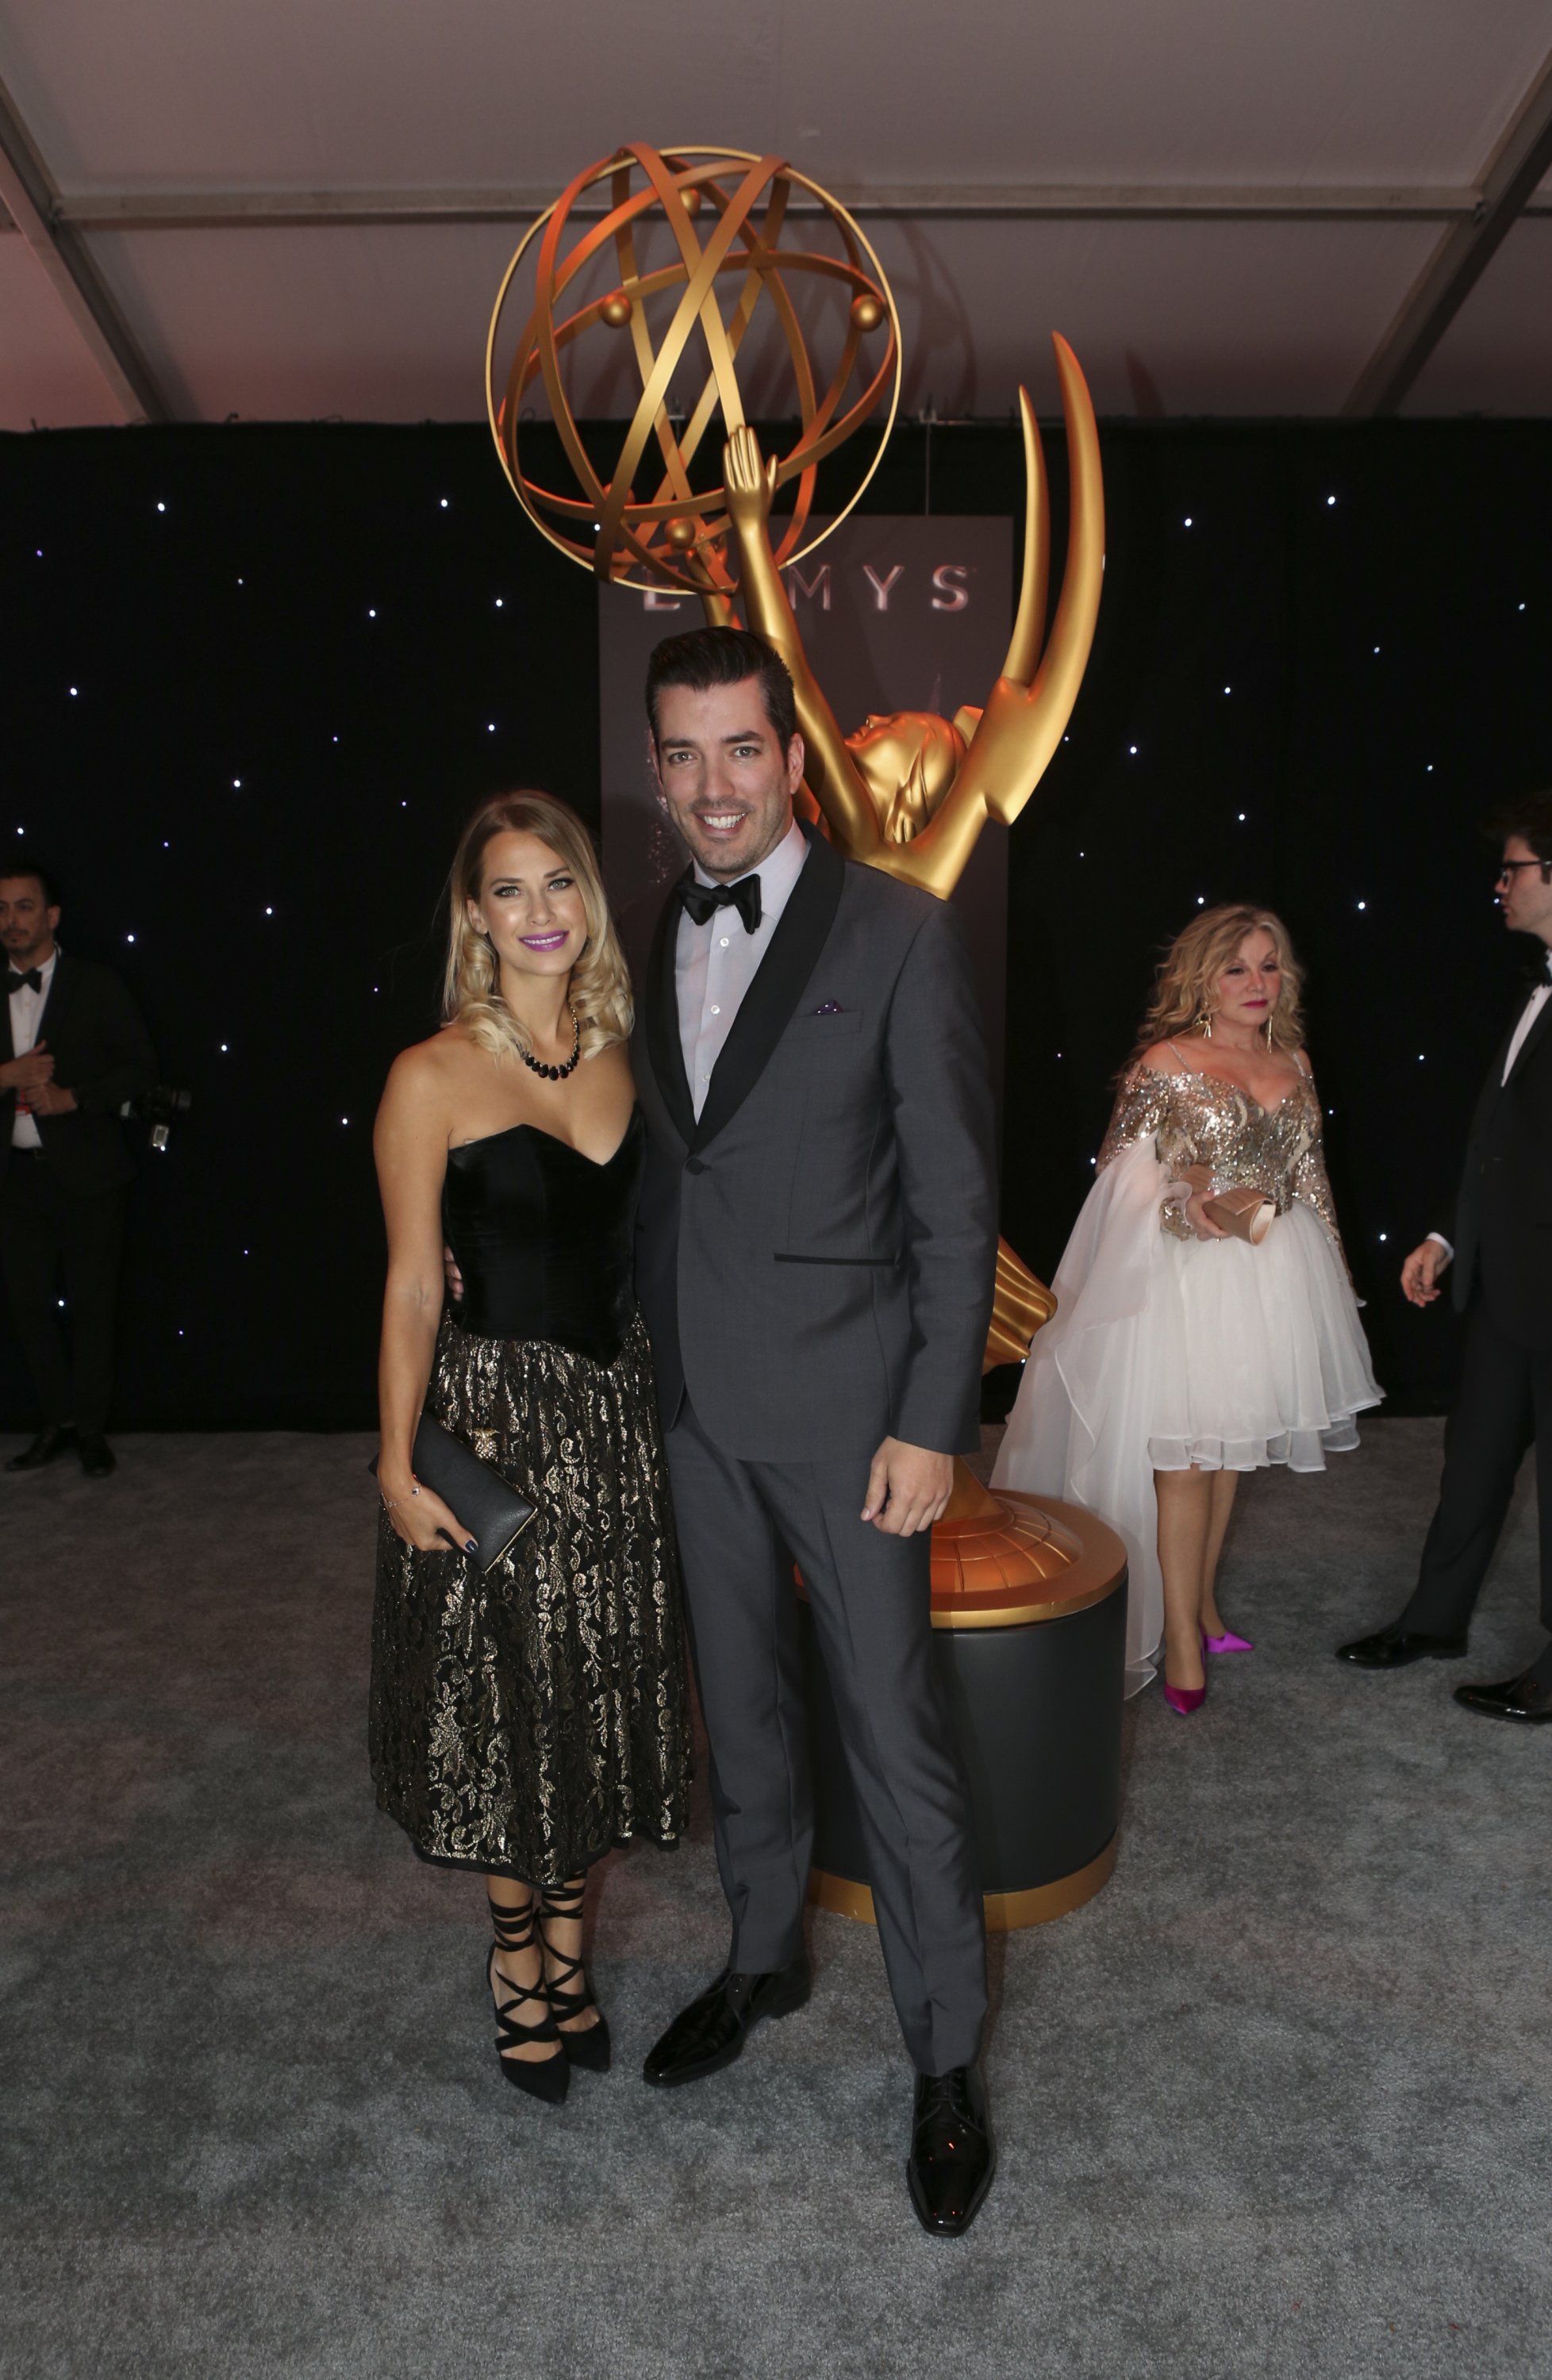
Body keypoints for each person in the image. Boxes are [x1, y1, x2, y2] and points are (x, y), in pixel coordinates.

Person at [628, 624, 1000, 2240]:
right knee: (744, 1717)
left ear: (793, 757)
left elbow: (957, 1200)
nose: (715, 786)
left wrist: (936, 1423)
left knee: (893, 1736)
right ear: (660, 768)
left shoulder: (902, 931)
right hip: (697, 1406)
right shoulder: (651, 926)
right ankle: (761, 1955)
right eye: (684, 754)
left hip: (857, 1424)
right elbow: (672, 1162)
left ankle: (944, 2062)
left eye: (742, 749)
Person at [370, 791, 691, 2106]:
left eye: (559, 882)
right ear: (475, 915)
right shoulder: (429, 1073)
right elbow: (406, 1286)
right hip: (492, 1429)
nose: (540, 912)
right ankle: (520, 1962)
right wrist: (395, 1463)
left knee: (592, 1696)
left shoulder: (637, 1052)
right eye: (510, 889)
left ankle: (572, 1943)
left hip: (617, 1430)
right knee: (508, 1708)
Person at [994, 904, 1381, 1706]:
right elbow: (1118, 1168)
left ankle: (1201, 1605)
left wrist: (1338, 1276)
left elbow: (1311, 1180)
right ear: (1201, 979)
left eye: (1270, 965)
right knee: (1186, 1462)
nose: (1257, 982)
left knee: (1232, 1446)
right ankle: (1178, 1644)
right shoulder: (1167, 1060)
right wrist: (1184, 1205)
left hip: (1273, 1275)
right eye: (1237, 967)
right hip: (1182, 1280)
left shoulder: (1296, 1060)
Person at [1337, 797, 1552, 1726]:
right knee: (1471, 1463)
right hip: (1507, 1282)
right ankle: (1434, 1621)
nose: (1499, 885)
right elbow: (1498, 1142)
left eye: (1516, 869)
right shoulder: (1531, 989)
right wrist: (1448, 1234)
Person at [1, 863, 156, 1479]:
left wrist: (72, 1098)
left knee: (94, 1305)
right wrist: (7, 1077)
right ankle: (55, 1422)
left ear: (52, 917)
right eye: (2, 909)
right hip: (14, 1181)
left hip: (89, 1174)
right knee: (28, 1305)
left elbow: (140, 1066)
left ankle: (91, 1428)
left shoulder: (97, 984)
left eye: (23, 907)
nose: (11, 920)